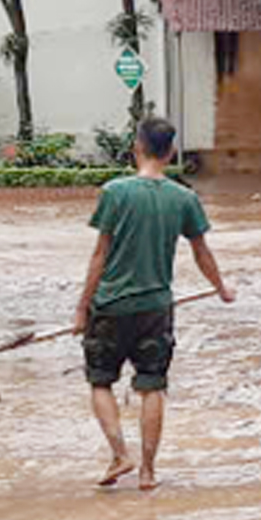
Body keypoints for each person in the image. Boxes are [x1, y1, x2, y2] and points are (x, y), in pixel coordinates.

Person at [74, 116, 233, 491]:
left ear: (137, 148)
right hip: (156, 309)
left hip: (110, 306)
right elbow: (202, 254)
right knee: (152, 386)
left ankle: (119, 454)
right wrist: (222, 288)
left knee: (100, 382)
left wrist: (82, 307)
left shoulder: (114, 192)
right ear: (171, 152)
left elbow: (100, 255)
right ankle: (147, 472)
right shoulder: (184, 198)